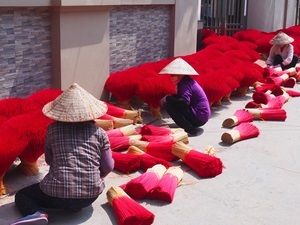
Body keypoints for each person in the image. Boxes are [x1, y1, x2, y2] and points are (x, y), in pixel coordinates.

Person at [10, 83, 114, 225]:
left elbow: (49, 160)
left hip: (56, 195)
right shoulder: (99, 133)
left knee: (22, 196)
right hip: (90, 196)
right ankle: (75, 205)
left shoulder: (53, 130)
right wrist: (92, 176)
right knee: (74, 197)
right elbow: (108, 166)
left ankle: (36, 213)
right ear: (91, 114)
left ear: (60, 113)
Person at [159, 58, 211, 136]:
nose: (171, 77)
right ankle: (188, 125)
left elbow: (184, 102)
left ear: (180, 75)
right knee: (171, 99)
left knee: (169, 104)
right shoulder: (187, 81)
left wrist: (167, 98)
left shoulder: (184, 84)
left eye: (173, 75)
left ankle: (190, 129)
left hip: (199, 117)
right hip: (201, 116)